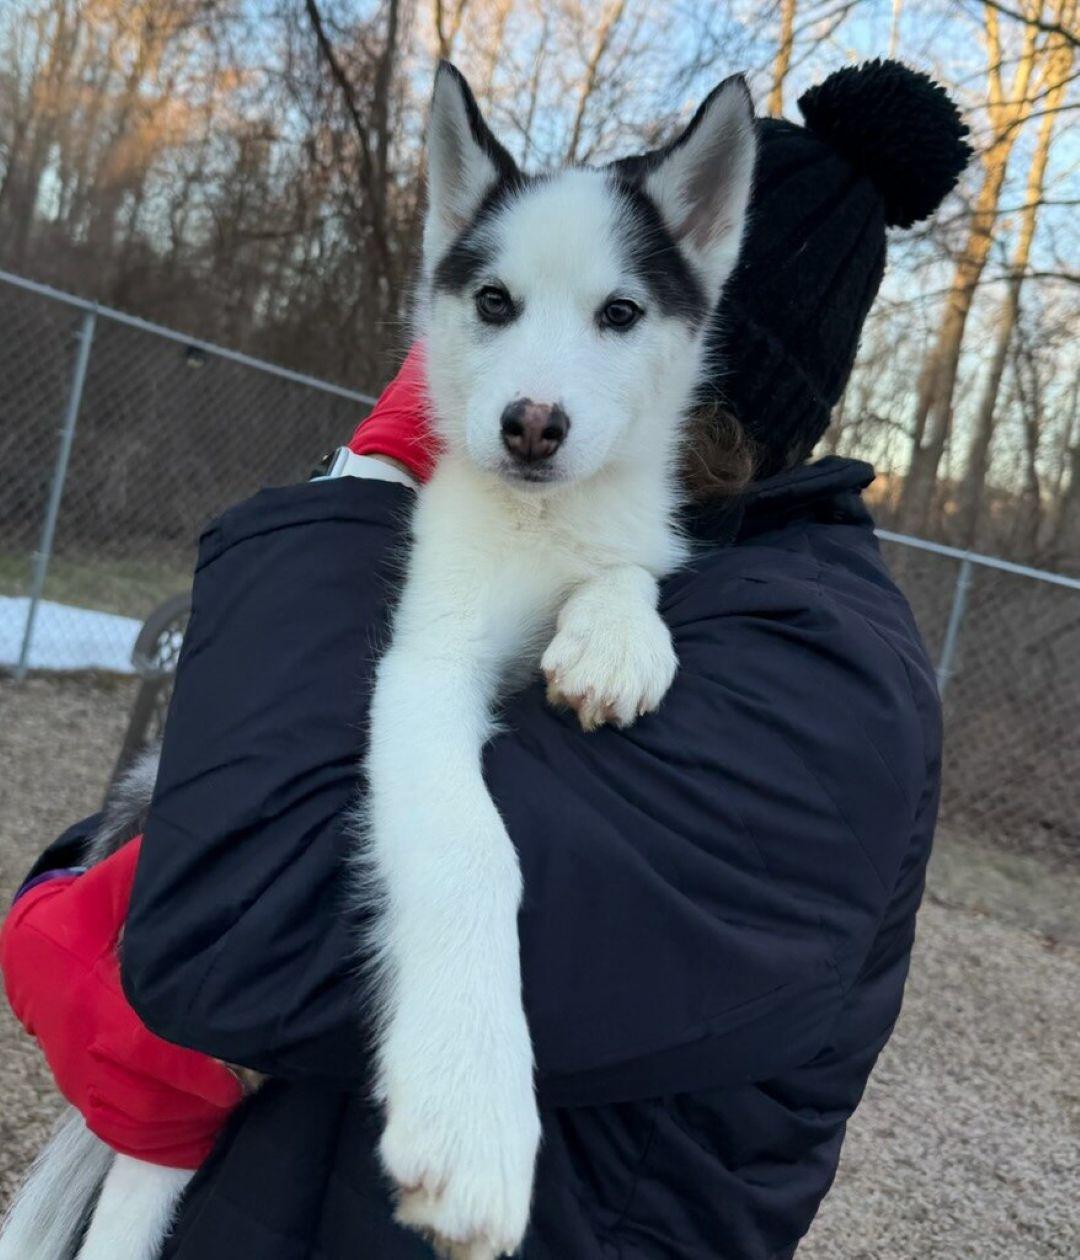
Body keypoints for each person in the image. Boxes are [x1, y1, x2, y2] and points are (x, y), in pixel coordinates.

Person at [2, 60, 970, 1259]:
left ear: (703, 336)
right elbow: (244, 775)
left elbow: (234, 929)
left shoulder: (821, 682)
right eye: (503, 307)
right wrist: (85, 872)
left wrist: (367, 489)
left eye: (616, 315)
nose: (537, 396)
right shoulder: (641, 557)